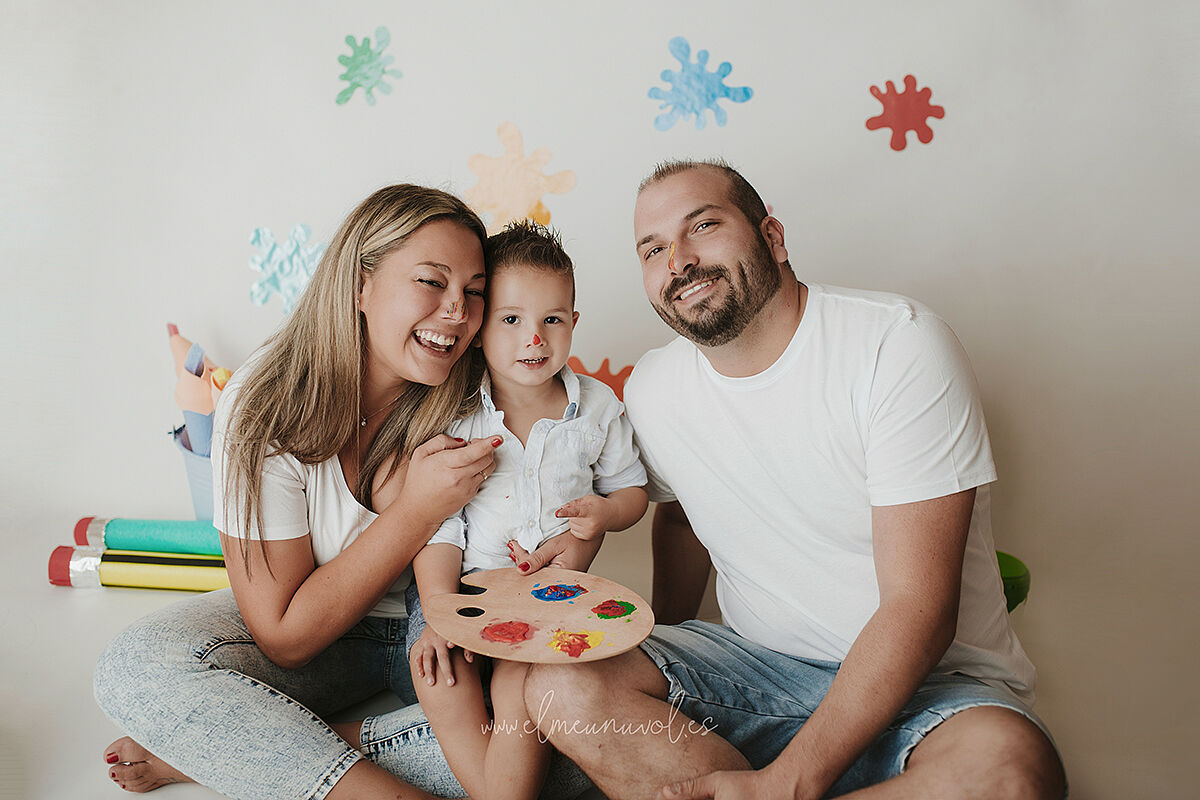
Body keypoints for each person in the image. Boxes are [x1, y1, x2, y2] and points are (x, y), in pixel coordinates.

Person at [520, 160, 1067, 799]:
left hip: (934, 689)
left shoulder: (896, 345)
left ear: (772, 237)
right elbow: (680, 516)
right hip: (761, 675)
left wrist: (790, 782)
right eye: (654, 248)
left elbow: (919, 608)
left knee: (1007, 777)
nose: (679, 260)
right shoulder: (653, 389)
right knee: (561, 687)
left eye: (703, 226)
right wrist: (668, 641)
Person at [93, 185, 590, 799]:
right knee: (133, 669)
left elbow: (570, 475)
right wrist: (417, 509)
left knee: (574, 726)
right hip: (323, 633)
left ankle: (255, 749)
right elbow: (284, 636)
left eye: (475, 290)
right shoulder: (267, 403)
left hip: (447, 634)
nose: (458, 311)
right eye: (431, 282)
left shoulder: (489, 376)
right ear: (361, 283)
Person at [403, 220, 649, 800]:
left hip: (547, 598)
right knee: (439, 676)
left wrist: (605, 516)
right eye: (511, 320)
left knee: (521, 685)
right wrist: (441, 609)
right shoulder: (459, 415)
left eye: (552, 320)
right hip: (464, 586)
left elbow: (632, 493)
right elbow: (438, 524)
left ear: (573, 323)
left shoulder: (596, 408)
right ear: (481, 327)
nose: (533, 339)